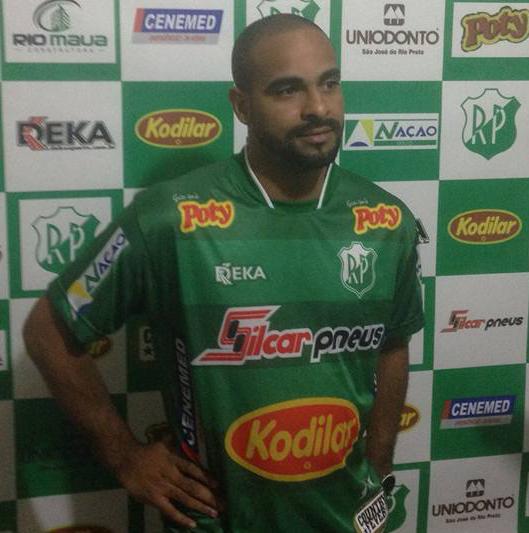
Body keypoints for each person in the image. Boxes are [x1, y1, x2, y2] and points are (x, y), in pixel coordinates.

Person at [24, 14, 424, 533]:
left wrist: (379, 462)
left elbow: (393, 346)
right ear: (241, 105)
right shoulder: (170, 217)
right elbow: (48, 332)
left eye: (329, 83)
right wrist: (125, 457)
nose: (318, 108)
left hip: (347, 520)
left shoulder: (386, 219)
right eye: (287, 90)